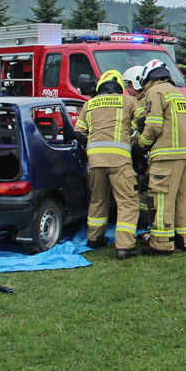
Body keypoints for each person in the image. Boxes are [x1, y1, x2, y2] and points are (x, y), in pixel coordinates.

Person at [73, 70, 145, 260]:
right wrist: (137, 142)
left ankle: (94, 238)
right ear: (119, 87)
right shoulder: (128, 101)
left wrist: (92, 145)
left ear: (100, 87)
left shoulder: (89, 104)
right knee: (127, 202)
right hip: (119, 160)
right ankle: (124, 247)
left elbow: (79, 133)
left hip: (95, 161)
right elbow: (144, 120)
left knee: (98, 200)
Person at [137, 59, 186, 255]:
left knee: (163, 200)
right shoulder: (178, 94)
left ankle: (162, 244)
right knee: (183, 198)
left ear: (149, 77)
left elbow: (154, 125)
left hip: (167, 155)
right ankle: (183, 239)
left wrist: (142, 144)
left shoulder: (155, 92)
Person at [123, 65, 154, 230]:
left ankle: (146, 220)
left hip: (147, 153)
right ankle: (145, 220)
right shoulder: (140, 100)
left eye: (129, 85)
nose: (127, 90)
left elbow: (139, 128)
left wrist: (137, 146)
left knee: (145, 188)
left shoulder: (143, 103)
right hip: (143, 152)